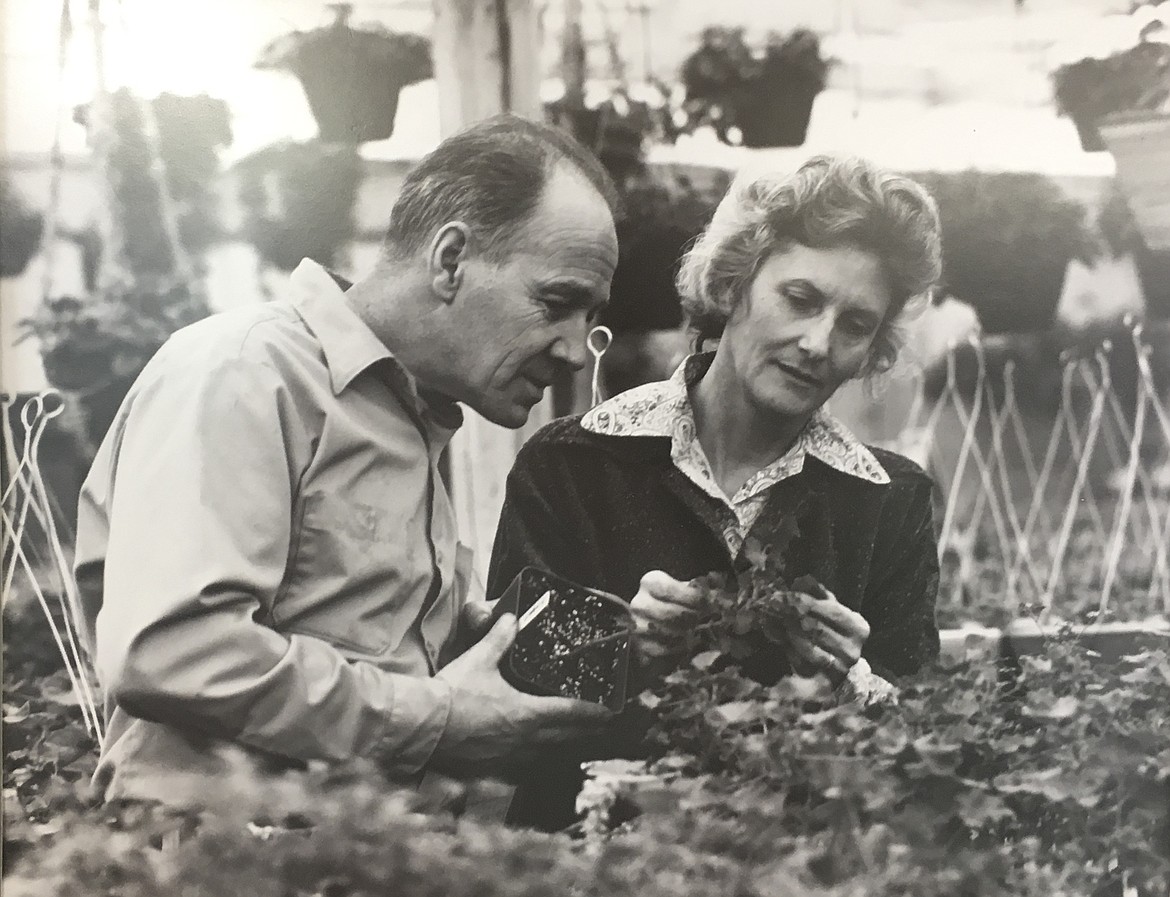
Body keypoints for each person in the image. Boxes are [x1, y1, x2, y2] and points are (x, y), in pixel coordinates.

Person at [72, 114, 621, 807]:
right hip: (213, 860)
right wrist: (442, 716)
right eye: (557, 302)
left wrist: (475, 641)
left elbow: (343, 642)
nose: (576, 349)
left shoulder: (414, 413)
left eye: (588, 317)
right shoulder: (243, 371)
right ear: (451, 260)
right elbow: (175, 650)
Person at [488, 155, 944, 829]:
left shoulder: (888, 499)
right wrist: (623, 645)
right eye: (801, 299)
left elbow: (921, 744)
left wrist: (854, 678)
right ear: (733, 284)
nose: (818, 343)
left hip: (795, 862)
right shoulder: (574, 462)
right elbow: (506, 681)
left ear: (873, 348)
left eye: (855, 325)